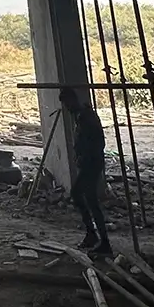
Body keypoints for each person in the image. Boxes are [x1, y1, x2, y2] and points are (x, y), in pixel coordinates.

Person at [59, 86, 111, 256]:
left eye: (67, 104)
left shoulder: (86, 117)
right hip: (90, 162)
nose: (67, 109)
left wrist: (85, 157)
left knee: (89, 199)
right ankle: (92, 234)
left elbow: (96, 142)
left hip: (92, 163)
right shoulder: (82, 116)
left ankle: (103, 241)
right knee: (80, 195)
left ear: (71, 101)